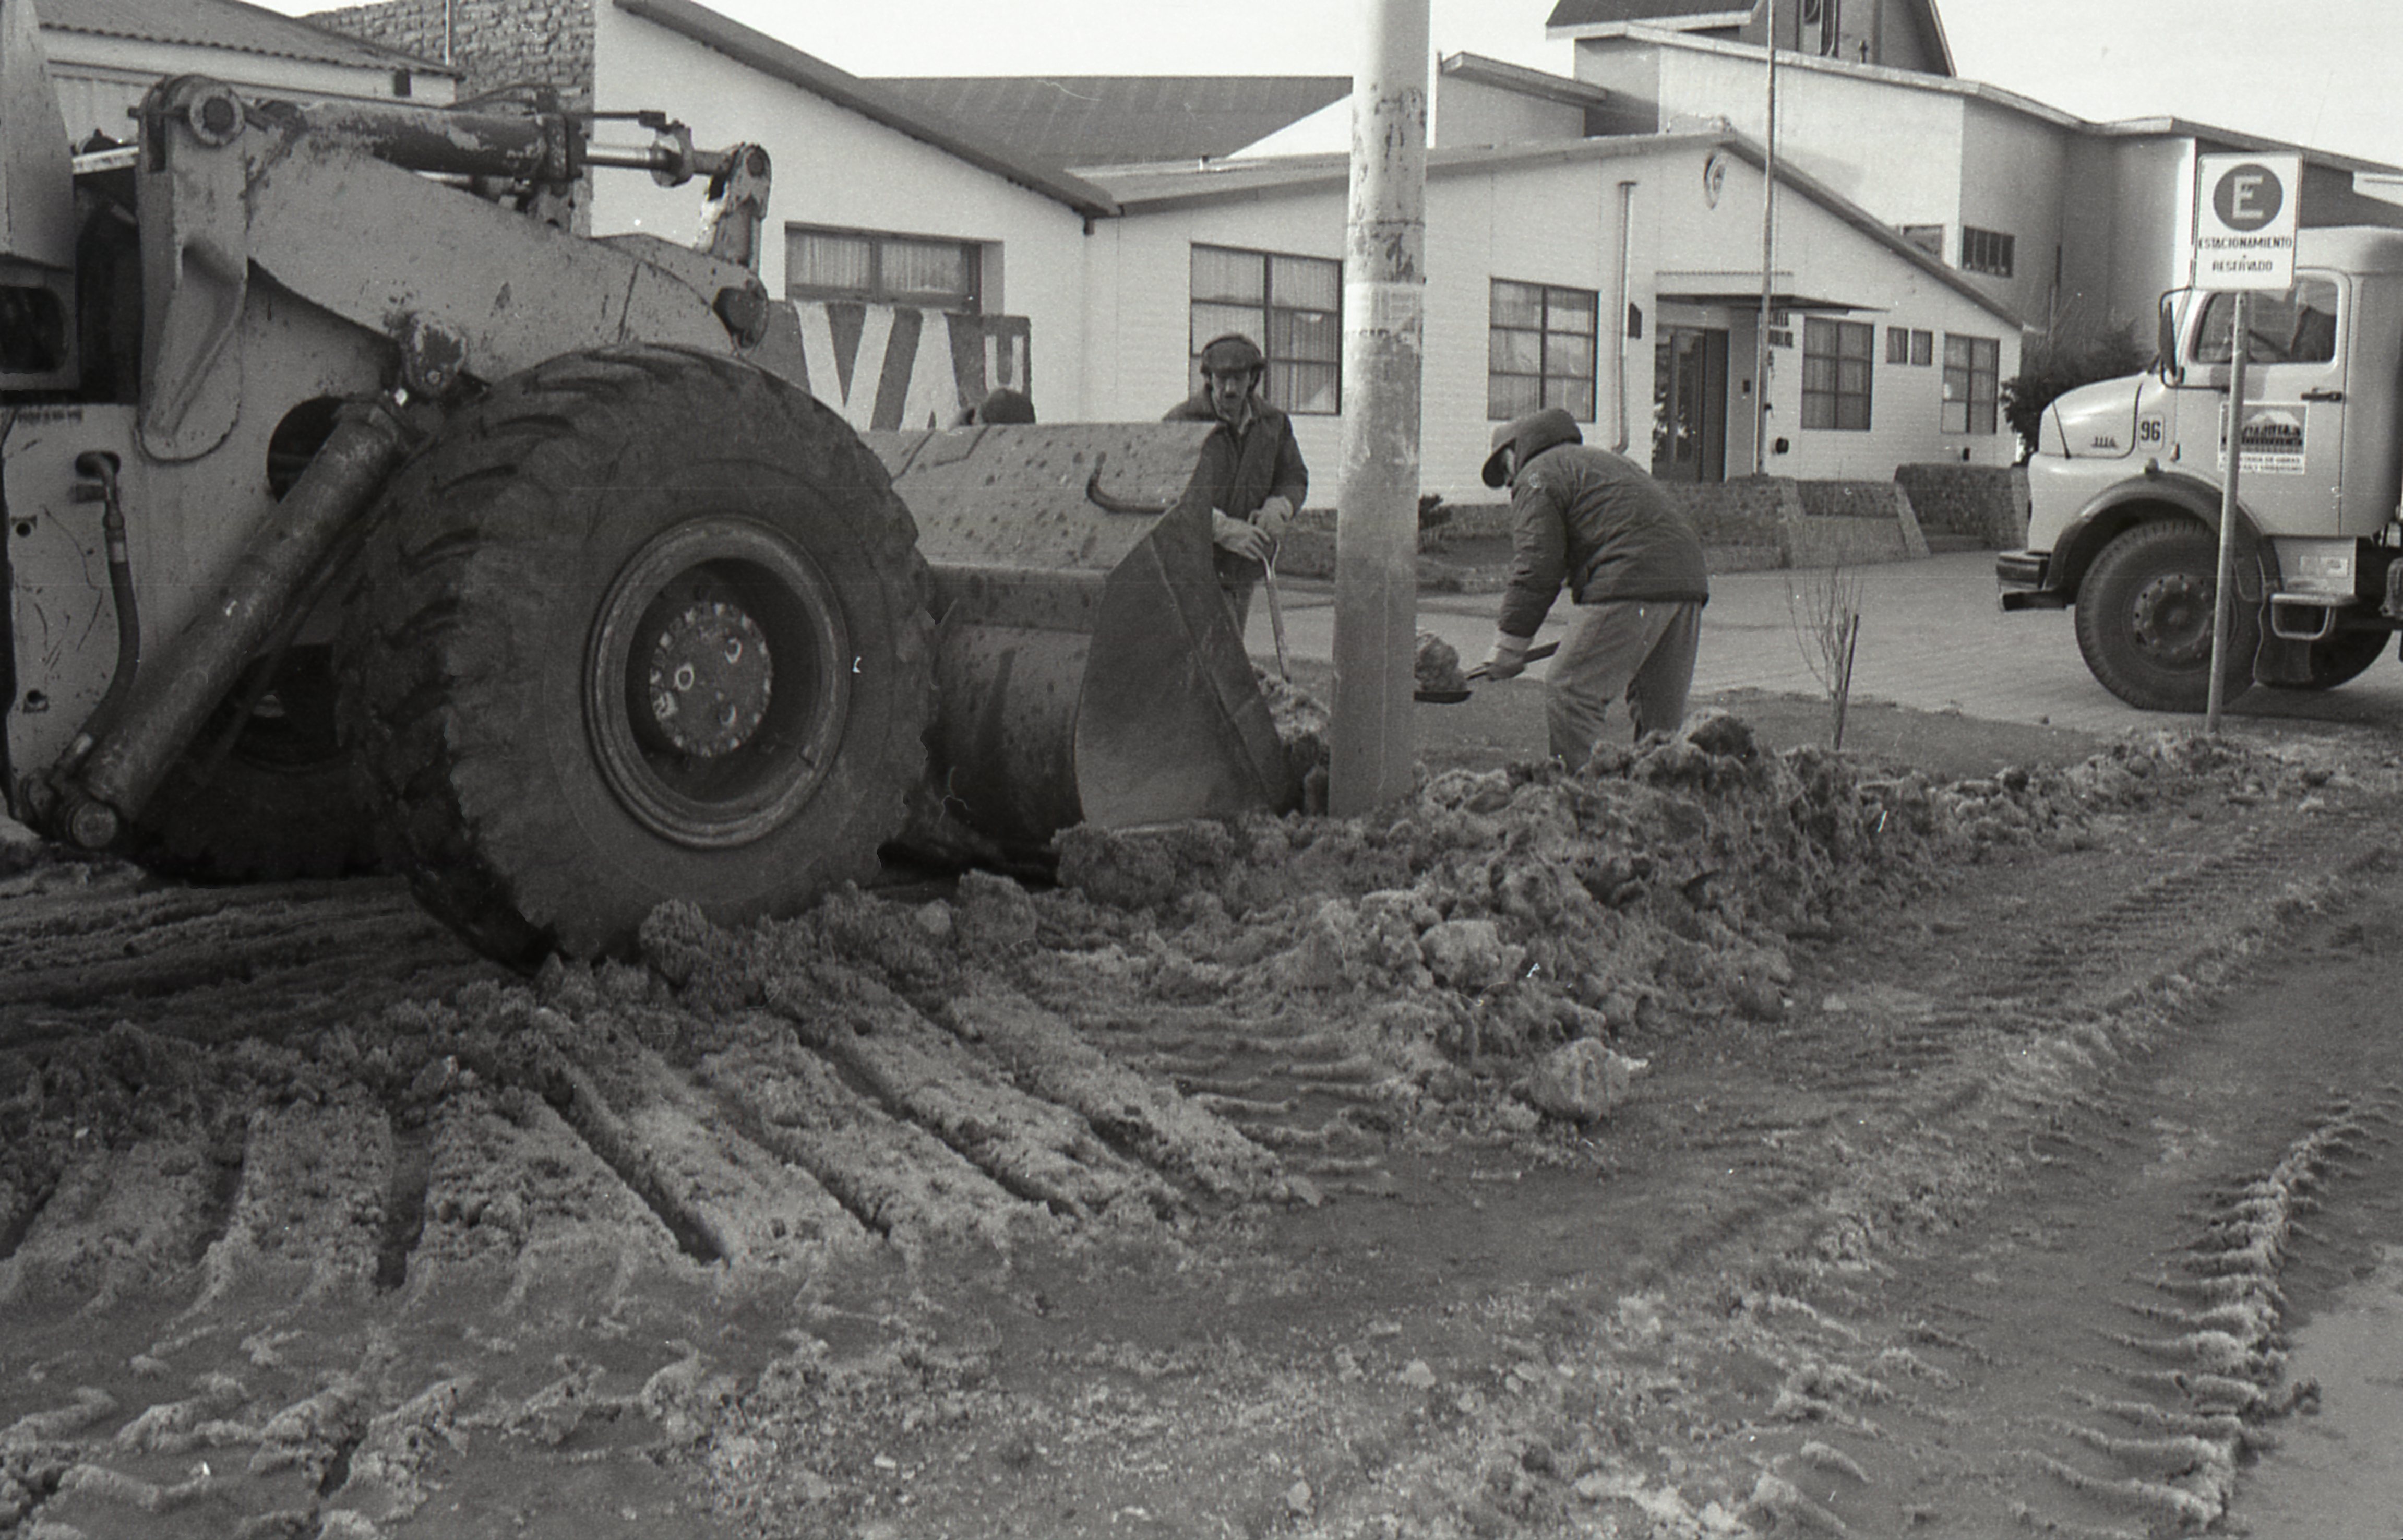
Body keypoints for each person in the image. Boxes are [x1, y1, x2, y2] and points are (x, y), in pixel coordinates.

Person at [1479, 406, 1710, 767]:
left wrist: (1509, 644)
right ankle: (1658, 807)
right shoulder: (1599, 462)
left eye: (1503, 470)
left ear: (1515, 451)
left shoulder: (1537, 475)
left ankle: (1582, 801)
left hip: (1630, 578)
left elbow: (1537, 565)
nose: (1508, 482)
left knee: (1569, 689)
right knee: (1659, 719)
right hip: (1687, 584)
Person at [1165, 333, 1308, 628]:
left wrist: (1277, 507)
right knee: (1194, 661)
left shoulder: (1273, 423)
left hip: (1242, 569)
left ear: (1253, 379)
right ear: (1208, 378)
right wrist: (1221, 528)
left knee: (1229, 660)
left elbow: (1293, 476)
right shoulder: (1181, 423)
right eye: (1221, 379)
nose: (1230, 389)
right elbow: (1165, 496)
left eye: (1239, 379)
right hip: (1190, 571)